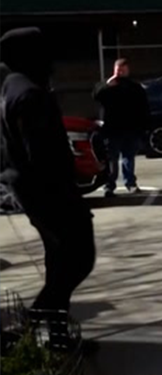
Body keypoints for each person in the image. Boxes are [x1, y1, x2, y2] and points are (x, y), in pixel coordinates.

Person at [0, 28, 96, 324]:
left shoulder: (10, 86)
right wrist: (70, 198)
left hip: (28, 189)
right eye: (44, 55)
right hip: (48, 193)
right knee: (79, 258)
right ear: (30, 57)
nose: (51, 64)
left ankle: (55, 329)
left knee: (59, 258)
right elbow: (44, 157)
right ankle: (34, 321)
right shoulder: (30, 95)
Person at [93, 58, 149, 197]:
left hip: (131, 128)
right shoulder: (107, 86)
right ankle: (109, 186)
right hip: (112, 129)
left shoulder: (134, 87)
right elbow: (96, 96)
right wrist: (107, 85)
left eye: (123, 70)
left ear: (128, 71)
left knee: (128, 157)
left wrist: (143, 127)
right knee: (111, 159)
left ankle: (130, 183)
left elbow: (143, 107)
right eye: (118, 70)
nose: (120, 73)